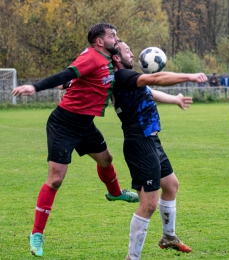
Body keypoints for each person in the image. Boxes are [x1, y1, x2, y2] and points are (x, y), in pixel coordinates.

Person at [12, 23, 139, 257]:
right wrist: (35, 87)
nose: (117, 39)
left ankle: (115, 192)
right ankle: (37, 233)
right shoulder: (92, 57)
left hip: (85, 124)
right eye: (113, 36)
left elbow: (74, 81)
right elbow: (67, 74)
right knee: (56, 179)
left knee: (106, 158)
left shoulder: (107, 60)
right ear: (99, 42)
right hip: (63, 124)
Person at [111, 41, 208, 260]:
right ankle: (131, 258)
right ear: (117, 58)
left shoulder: (129, 79)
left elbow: (149, 90)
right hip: (140, 143)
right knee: (149, 204)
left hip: (151, 141)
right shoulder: (122, 76)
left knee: (171, 185)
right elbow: (156, 79)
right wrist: (190, 76)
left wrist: (175, 99)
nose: (132, 52)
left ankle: (169, 236)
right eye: (127, 50)